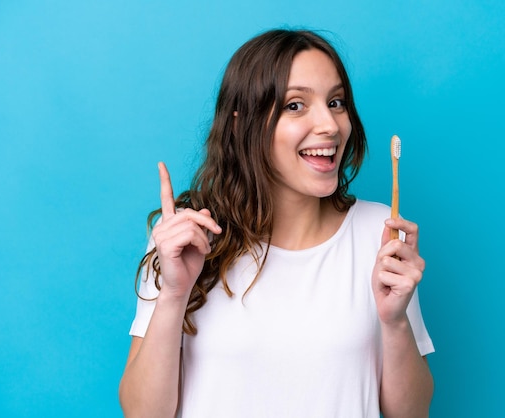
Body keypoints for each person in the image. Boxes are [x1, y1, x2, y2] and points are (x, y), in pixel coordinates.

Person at [119, 28, 434, 418]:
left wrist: (396, 323)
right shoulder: (187, 238)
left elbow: (412, 413)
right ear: (240, 124)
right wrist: (173, 295)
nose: (331, 126)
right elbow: (142, 413)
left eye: (336, 102)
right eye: (295, 106)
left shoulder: (380, 233)